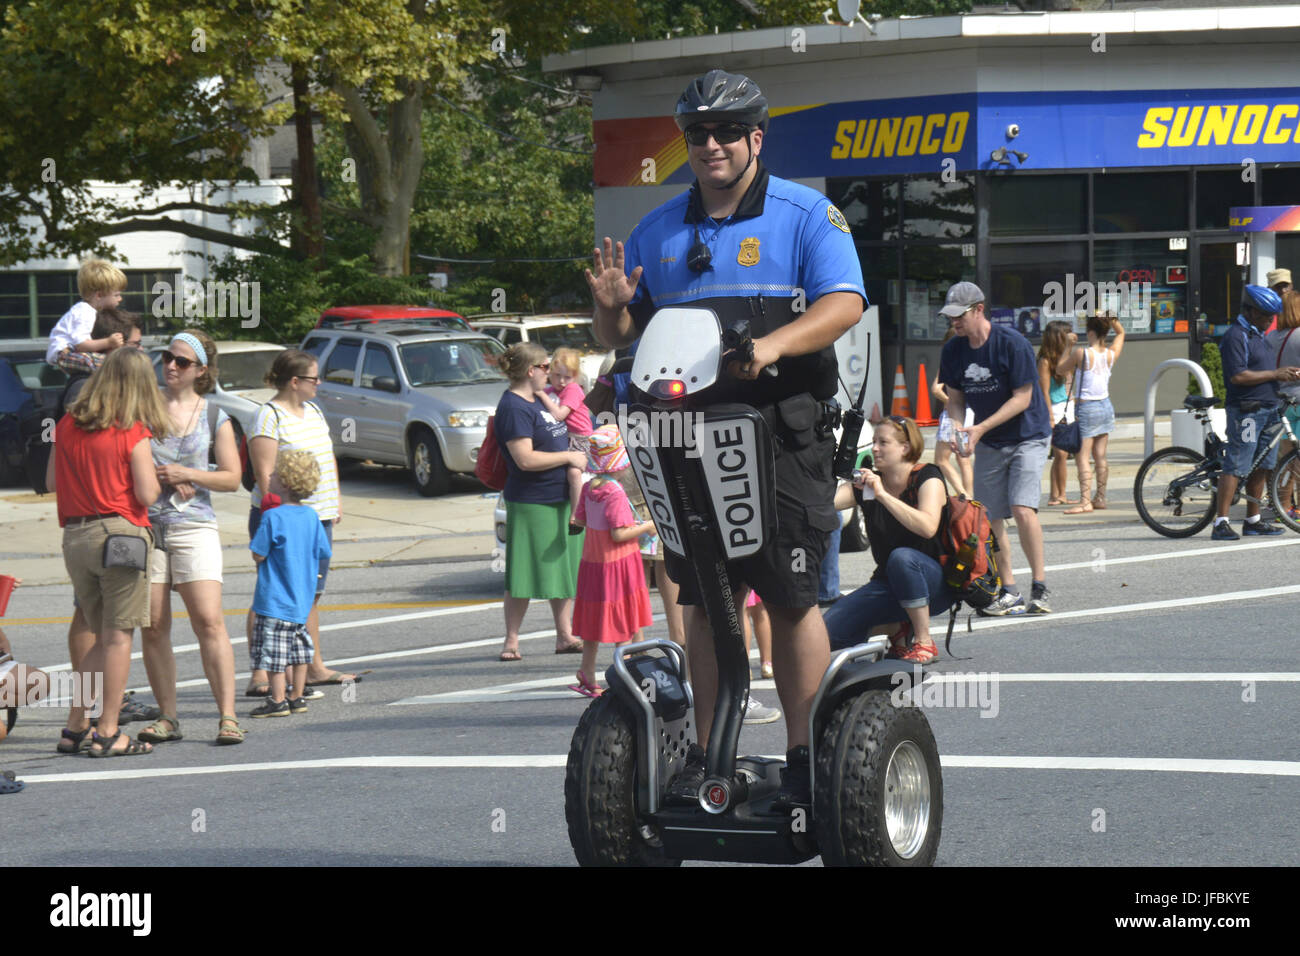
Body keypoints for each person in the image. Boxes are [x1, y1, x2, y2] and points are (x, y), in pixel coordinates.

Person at [587, 69, 867, 809]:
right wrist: (613, 311)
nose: (709, 146)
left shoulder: (807, 215)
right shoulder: (658, 230)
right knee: (707, 597)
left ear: (754, 139)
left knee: (790, 593)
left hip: (781, 429)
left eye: (724, 132)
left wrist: (774, 347)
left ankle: (806, 758)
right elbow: (623, 337)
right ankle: (711, 757)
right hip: (686, 434)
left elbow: (844, 302)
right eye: (696, 134)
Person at [46, 347, 168, 757]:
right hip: (120, 534)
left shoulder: (67, 424)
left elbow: (50, 480)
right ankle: (108, 731)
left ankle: (75, 726)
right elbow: (147, 493)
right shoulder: (132, 430)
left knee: (99, 638)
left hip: (75, 535)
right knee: (119, 638)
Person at [138, 330, 244, 746]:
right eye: (168, 357)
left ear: (201, 370)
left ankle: (228, 716)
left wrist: (188, 475)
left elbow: (232, 478)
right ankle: (168, 717)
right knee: (153, 626)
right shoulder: (142, 410)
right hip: (146, 526)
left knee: (209, 622)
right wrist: (157, 475)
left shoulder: (215, 415)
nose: (171, 366)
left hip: (193, 526)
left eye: (182, 361)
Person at [245, 350, 358, 695]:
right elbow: (266, 475)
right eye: (313, 378)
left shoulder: (314, 411)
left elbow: (327, 457)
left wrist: (334, 499)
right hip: (283, 519)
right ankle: (261, 672)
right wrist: (278, 518)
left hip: (317, 517)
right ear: (295, 382)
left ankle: (313, 668)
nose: (318, 383)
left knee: (310, 594)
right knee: (273, 595)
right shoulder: (268, 416)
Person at [939, 281, 1053, 615]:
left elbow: (1023, 398)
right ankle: (1009, 589)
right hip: (989, 439)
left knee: (1021, 508)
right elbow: (956, 399)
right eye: (950, 317)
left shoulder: (1012, 344)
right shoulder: (953, 350)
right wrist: (959, 430)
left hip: (1028, 434)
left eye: (959, 316)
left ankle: (1040, 587)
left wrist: (979, 428)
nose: (954, 324)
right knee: (989, 518)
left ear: (979, 309)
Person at [824, 416, 950, 664]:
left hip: (934, 583)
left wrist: (882, 495)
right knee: (828, 632)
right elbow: (825, 505)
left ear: (905, 448)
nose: (875, 448)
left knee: (902, 558)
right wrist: (833, 472)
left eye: (883, 442)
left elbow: (927, 526)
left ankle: (923, 640)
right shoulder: (868, 483)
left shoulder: (927, 477)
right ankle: (896, 629)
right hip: (887, 583)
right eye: (874, 441)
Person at [494, 342, 588, 661]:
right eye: (546, 367)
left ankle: (564, 635)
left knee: (561, 569)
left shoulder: (537, 400)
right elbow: (524, 459)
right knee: (523, 572)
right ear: (531, 370)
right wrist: (568, 456)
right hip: (532, 499)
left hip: (560, 496)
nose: (549, 373)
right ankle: (511, 640)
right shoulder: (513, 406)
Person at [567, 425, 655, 697]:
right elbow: (619, 534)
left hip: (593, 564)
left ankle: (587, 672)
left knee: (594, 621)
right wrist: (649, 526)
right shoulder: (615, 492)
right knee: (624, 622)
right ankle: (625, 678)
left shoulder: (590, 487)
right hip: (618, 564)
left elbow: (578, 520)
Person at [248, 449, 333, 718]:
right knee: (299, 650)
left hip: (274, 598)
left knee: (272, 654)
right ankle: (297, 695)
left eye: (274, 473)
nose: (269, 476)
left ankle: (277, 699)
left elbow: (259, 552)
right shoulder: (311, 516)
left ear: (284, 482)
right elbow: (323, 551)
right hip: (301, 599)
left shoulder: (273, 517)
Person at [1212, 285, 1300, 540]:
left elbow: (1264, 372)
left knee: (1263, 465)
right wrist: (1275, 374)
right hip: (1247, 410)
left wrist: (1285, 376)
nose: (1270, 321)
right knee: (1237, 464)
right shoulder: (1236, 336)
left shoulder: (1259, 335)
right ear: (1250, 311)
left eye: (1272, 316)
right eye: (1265, 316)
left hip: (1269, 408)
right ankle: (1221, 522)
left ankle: (1253, 519)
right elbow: (1238, 376)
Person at [1056, 312, 1125, 513]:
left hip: (1087, 407)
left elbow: (1060, 369)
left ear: (1090, 332)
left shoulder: (1081, 353)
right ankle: (1100, 497)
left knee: (1082, 457)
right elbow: (1121, 334)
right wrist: (1110, 318)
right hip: (1105, 406)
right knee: (1101, 456)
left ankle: (1085, 500)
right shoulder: (1111, 353)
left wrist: (1068, 345)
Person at [536, 347, 593, 532]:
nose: (561, 381)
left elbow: (560, 414)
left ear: (575, 377)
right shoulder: (553, 390)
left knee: (574, 473)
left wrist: (541, 393)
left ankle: (576, 516)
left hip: (580, 438)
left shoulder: (573, 390)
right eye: (556, 375)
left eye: (567, 377)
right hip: (564, 436)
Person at [45, 259, 127, 377]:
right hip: (65, 354)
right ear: (99, 295)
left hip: (69, 354)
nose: (120, 299)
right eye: (117, 295)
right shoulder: (85, 312)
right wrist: (109, 342)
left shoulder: (86, 310)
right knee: (110, 365)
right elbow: (81, 345)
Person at [1268, 290, 1300, 520]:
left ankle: (1282, 506)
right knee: (1298, 460)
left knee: (1284, 461)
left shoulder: (1271, 337)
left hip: (1280, 402)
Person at [933, 327, 974, 498]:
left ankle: (962, 493)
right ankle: (970, 497)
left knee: (941, 459)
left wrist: (950, 401)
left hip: (952, 416)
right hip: (970, 414)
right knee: (963, 459)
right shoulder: (972, 360)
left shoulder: (950, 362)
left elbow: (935, 389)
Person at [1037, 320, 1075, 506]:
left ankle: (1059, 494)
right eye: (1066, 334)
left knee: (1062, 454)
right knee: (1060, 453)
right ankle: (1057, 495)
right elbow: (1044, 390)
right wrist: (1049, 415)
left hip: (1066, 406)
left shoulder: (1063, 357)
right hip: (1053, 408)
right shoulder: (1045, 361)